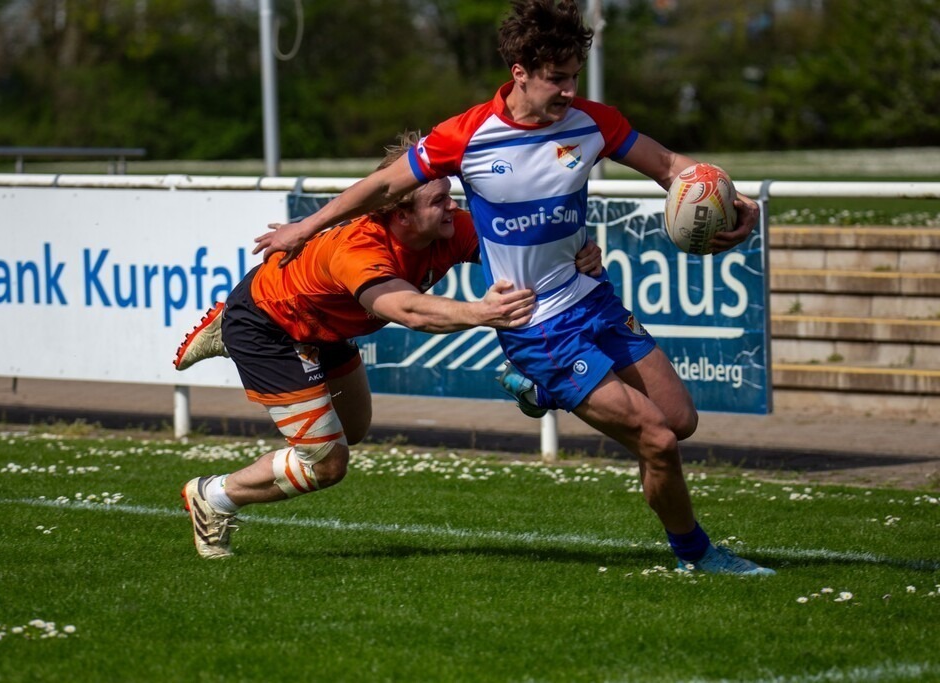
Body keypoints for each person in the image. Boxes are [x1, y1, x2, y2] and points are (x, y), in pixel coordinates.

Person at [252, 0, 774, 575]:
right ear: (519, 71)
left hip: (591, 295)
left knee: (679, 420)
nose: (569, 89)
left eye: (575, 75)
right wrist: (304, 226)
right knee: (658, 440)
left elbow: (670, 164)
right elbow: (380, 187)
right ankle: (697, 556)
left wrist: (731, 195)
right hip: (534, 325)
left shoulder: (594, 122)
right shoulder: (467, 135)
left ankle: (537, 391)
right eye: (557, 78)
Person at [178, 132, 604, 559]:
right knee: (326, 463)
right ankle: (214, 496)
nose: (453, 206)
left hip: (325, 330)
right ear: (401, 215)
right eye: (438, 200)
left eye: (450, 195)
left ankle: (230, 353)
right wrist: (481, 312)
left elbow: (526, 249)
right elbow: (408, 310)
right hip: (269, 325)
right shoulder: (358, 250)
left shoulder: (448, 227)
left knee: (353, 430)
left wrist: (578, 254)